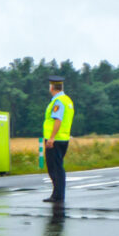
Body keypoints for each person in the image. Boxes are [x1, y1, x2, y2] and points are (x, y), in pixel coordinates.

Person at [43, 75, 75, 204]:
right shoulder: (67, 100)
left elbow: (58, 119)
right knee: (58, 167)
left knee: (54, 168)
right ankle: (57, 194)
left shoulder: (58, 101)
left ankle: (58, 195)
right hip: (63, 138)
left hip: (55, 140)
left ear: (51, 87)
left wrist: (51, 138)